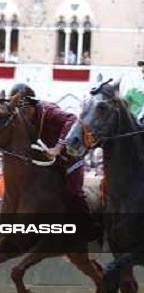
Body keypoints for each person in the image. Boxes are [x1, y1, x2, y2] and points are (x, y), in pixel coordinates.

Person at [9, 82, 98, 239]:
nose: (21, 114)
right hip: (47, 161)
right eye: (17, 110)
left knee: (73, 193)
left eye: (24, 109)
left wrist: (58, 147)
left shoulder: (48, 111)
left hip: (70, 157)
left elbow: (72, 119)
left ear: (32, 103)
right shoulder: (19, 118)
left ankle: (89, 228)